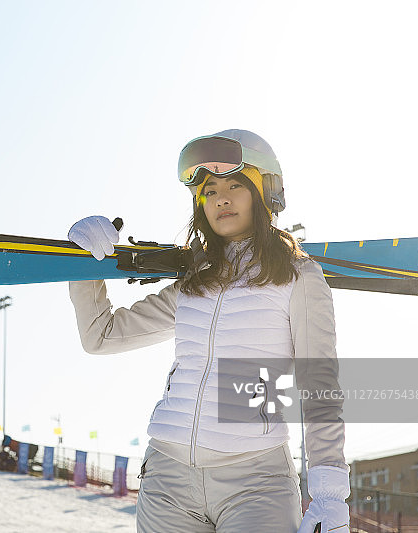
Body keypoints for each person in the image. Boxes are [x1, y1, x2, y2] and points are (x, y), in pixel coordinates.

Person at [67, 129, 350, 533]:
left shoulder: (298, 277)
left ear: (264, 192)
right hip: (167, 479)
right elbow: (101, 336)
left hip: (256, 484)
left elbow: (319, 383)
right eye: (209, 189)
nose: (221, 197)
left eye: (236, 184)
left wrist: (329, 494)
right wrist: (85, 267)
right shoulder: (191, 285)